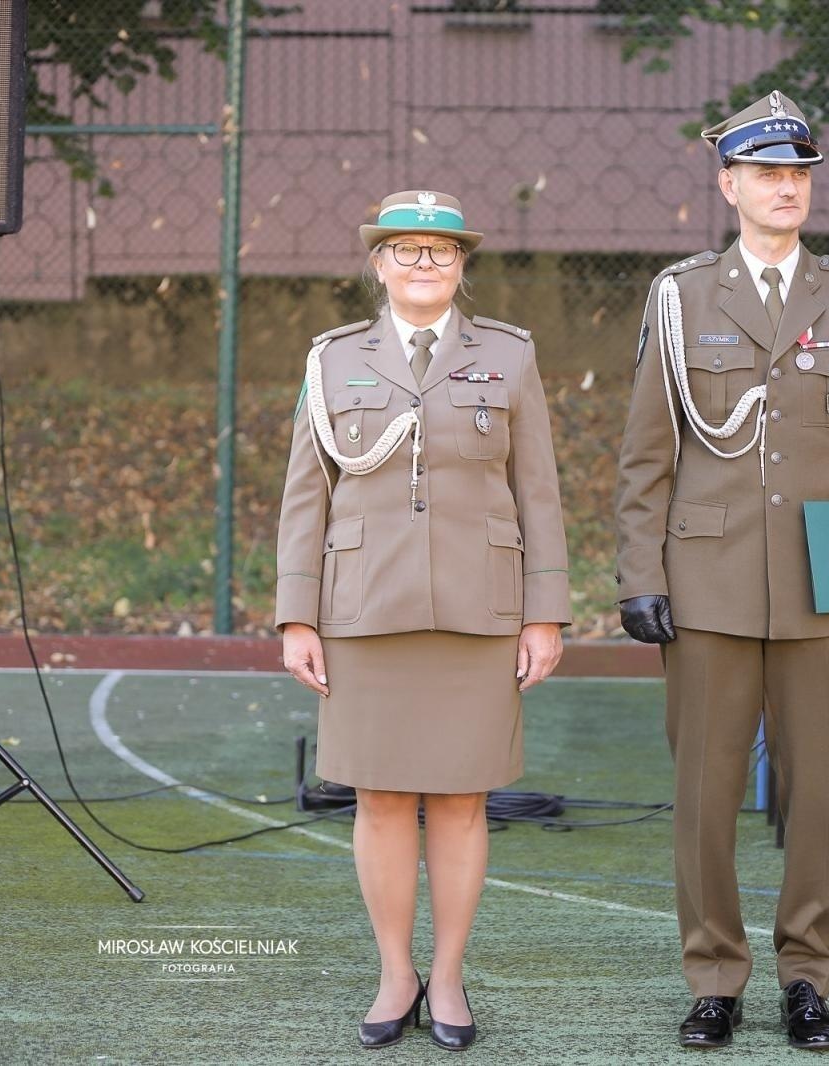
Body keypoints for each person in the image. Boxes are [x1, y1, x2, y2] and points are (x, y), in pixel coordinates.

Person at [614, 91, 829, 1051]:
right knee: (705, 794)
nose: (786, 188)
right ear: (729, 184)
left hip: (822, 580)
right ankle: (713, 976)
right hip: (705, 581)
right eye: (766, 174)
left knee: (818, 790)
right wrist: (639, 574)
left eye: (799, 174)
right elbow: (645, 454)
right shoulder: (681, 295)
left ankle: (806, 976)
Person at [276, 190, 570, 1051]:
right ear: (378, 263)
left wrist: (544, 613)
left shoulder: (509, 358)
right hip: (362, 609)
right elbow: (306, 497)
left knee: (461, 801)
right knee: (378, 797)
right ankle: (394, 973)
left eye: (441, 252)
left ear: (461, 265)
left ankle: (447, 975)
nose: (424, 264)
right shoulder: (331, 361)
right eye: (405, 250)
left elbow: (538, 493)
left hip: (480, 610)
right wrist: (297, 615)